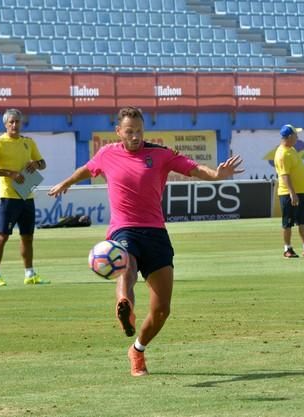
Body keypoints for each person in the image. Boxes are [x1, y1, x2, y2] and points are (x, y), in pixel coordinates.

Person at [48, 107, 243, 377]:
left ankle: (137, 349)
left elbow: (193, 168)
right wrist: (66, 182)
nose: (136, 136)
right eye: (130, 131)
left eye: (139, 131)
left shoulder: (160, 154)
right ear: (119, 132)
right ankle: (124, 305)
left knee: (162, 310)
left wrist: (217, 175)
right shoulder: (107, 153)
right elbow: (87, 169)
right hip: (123, 230)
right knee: (124, 266)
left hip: (155, 233)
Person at [0, 108, 49, 287]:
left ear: (21, 123)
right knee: (2, 236)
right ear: (5, 124)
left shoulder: (29, 142)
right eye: (11, 122)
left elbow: (43, 164)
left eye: (17, 121)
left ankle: (30, 274)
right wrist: (9, 173)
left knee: (28, 236)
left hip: (27, 195)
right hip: (9, 197)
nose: (14, 125)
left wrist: (36, 164)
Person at [274, 124, 304, 258]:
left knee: (303, 221)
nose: (298, 137)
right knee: (288, 222)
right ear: (290, 136)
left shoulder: (291, 149)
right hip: (289, 193)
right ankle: (287, 249)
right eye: (296, 134)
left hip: (300, 192)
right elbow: (285, 175)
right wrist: (292, 193)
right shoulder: (282, 154)